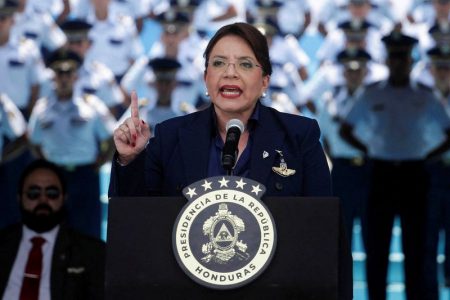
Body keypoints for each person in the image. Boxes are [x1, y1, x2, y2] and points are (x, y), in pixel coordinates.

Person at [109, 22, 352, 299]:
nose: (231, 72)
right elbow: (136, 226)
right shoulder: (171, 136)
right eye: (219, 63)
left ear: (265, 82)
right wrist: (130, 160)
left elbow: (325, 234)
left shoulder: (299, 136)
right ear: (205, 79)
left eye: (246, 64)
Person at [340, 31, 450, 299]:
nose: (399, 62)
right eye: (394, 57)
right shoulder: (372, 93)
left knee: (418, 247)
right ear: (387, 60)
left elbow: (448, 132)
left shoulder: (425, 96)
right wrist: (368, 150)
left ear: (411, 61)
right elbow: (346, 129)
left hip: (415, 173)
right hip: (381, 172)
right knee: (376, 245)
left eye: (403, 57)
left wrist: (428, 156)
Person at [28, 48, 116, 238]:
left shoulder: (91, 105)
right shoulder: (42, 108)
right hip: (55, 177)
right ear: (54, 77)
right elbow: (33, 141)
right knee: (53, 230)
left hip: (85, 175)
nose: (64, 78)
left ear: (76, 76)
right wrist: (46, 163)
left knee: (88, 231)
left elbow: (110, 138)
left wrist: (100, 161)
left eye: (69, 73)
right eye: (60, 73)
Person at [0, 159, 105, 300]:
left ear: (64, 198)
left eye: (52, 193)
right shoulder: (2, 243)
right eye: (34, 193)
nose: (43, 200)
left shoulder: (92, 253)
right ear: (20, 198)